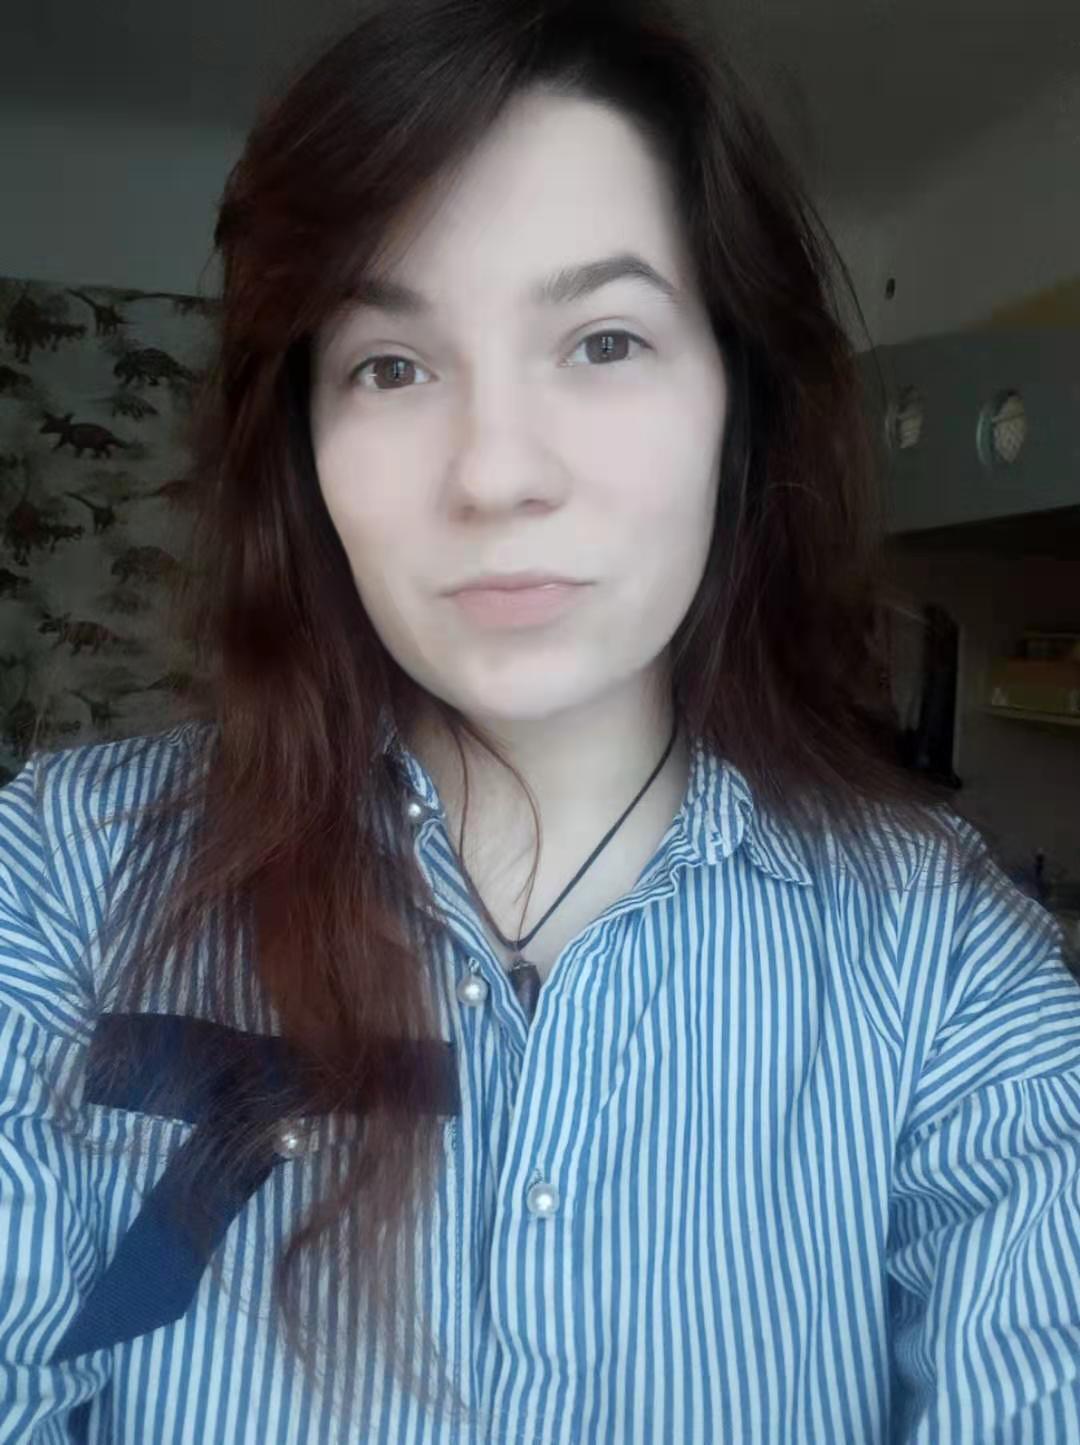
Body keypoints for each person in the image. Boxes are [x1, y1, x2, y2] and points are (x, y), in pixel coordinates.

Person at [2, 1, 1079, 1441]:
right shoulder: (68, 874)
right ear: (304, 446)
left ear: (740, 407)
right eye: (391, 364)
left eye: (604, 340)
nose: (496, 471)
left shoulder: (943, 962)